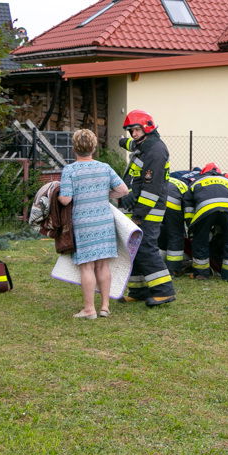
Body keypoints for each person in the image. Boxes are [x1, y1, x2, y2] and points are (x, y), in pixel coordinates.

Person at [57, 129, 129, 319]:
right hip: (104, 221)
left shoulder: (70, 170)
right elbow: (123, 189)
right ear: (94, 147)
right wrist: (105, 195)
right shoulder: (105, 167)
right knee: (103, 265)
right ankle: (105, 307)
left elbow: (65, 199)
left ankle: (89, 309)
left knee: (87, 266)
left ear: (74, 149)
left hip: (83, 223)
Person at [118, 109, 176, 306]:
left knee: (145, 246)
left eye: (136, 129)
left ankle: (164, 290)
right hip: (139, 205)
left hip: (149, 208)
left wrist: (139, 214)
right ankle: (139, 289)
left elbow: (152, 188)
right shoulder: (143, 144)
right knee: (133, 246)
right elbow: (130, 144)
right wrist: (120, 141)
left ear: (147, 128)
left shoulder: (156, 150)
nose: (133, 134)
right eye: (130, 131)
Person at [183, 165, 228, 281]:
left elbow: (188, 204)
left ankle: (201, 274)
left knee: (200, 240)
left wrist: (191, 224)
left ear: (203, 173)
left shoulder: (196, 182)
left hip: (205, 210)